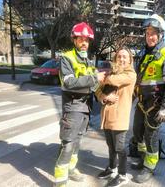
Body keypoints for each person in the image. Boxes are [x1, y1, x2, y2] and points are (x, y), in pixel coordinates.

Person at [54, 22, 106, 187]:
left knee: (77, 141)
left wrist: (102, 95)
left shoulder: (89, 61)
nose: (84, 43)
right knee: (68, 143)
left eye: (87, 40)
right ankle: (60, 180)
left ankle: (71, 169)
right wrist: (95, 78)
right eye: (81, 39)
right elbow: (68, 83)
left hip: (86, 107)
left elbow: (94, 85)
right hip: (73, 105)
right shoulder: (67, 58)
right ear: (74, 40)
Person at [131, 14, 165, 183]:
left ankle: (149, 166)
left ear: (160, 35)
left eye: (153, 33)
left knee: (151, 136)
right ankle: (143, 158)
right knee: (137, 132)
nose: (149, 36)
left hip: (156, 105)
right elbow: (140, 79)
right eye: (147, 33)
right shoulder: (145, 53)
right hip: (142, 102)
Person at [95, 46, 136, 187]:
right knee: (110, 146)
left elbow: (113, 80)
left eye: (125, 56)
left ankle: (123, 175)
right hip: (106, 116)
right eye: (119, 56)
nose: (122, 59)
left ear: (130, 59)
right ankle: (112, 168)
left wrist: (103, 77)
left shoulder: (131, 74)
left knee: (119, 148)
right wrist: (105, 97)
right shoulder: (111, 73)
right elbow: (97, 90)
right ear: (115, 59)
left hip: (120, 117)